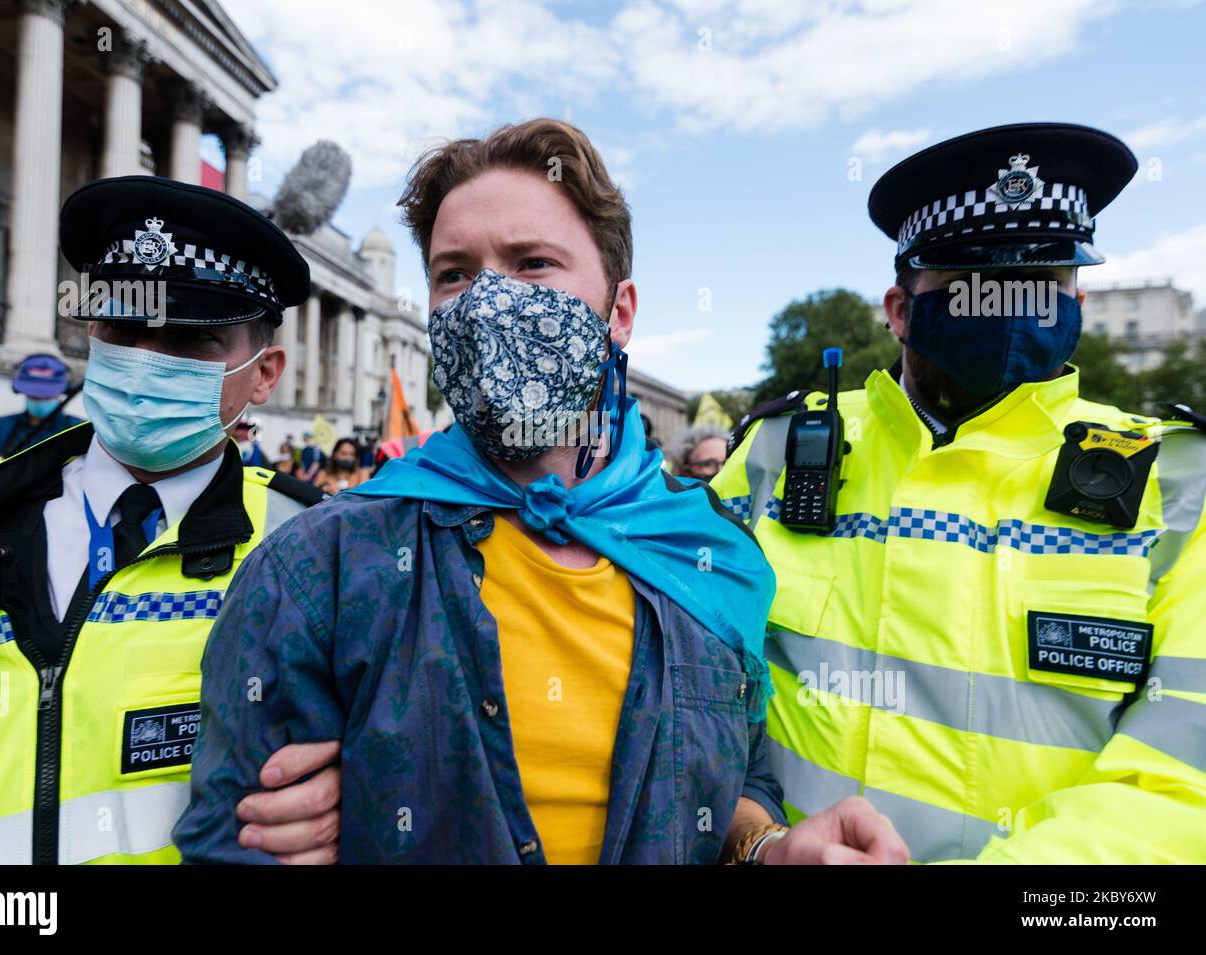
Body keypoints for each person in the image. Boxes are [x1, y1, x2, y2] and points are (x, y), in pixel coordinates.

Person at [175, 118, 907, 866]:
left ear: (619, 313)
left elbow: (735, 786)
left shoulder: (711, 556)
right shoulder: (319, 563)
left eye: (532, 264)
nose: (488, 301)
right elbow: (235, 837)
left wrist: (769, 848)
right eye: (454, 273)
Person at [714, 123, 1206, 863]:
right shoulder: (776, 451)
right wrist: (757, 841)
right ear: (900, 308)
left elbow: (1180, 790)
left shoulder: (1177, 487)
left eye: (1044, 283)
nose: (1009, 309)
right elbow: (689, 682)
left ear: (1077, 296)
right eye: (972, 285)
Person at [0, 176, 342, 864]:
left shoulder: (311, 548)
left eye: (190, 341)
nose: (144, 361)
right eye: (124, 328)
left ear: (265, 374)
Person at [0, 353, 85, 458]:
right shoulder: (0, 427)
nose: (40, 400)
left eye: (47, 396)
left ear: (63, 391)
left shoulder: (79, 430)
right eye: (34, 396)